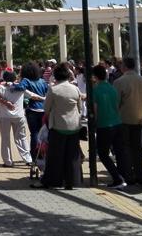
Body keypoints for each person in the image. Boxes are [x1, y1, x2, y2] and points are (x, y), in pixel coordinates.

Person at [34, 62, 83, 190]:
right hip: (74, 126)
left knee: (55, 156)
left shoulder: (53, 89)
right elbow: (80, 108)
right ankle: (71, 181)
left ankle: (53, 180)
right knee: (72, 156)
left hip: (58, 126)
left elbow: (46, 108)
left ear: (55, 76)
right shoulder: (75, 89)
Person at [113, 57, 142, 186]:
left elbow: (116, 102)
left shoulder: (119, 81)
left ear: (124, 66)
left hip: (124, 118)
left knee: (125, 148)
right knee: (138, 148)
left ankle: (128, 176)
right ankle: (141, 175)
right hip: (139, 117)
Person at [91, 65, 127, 189]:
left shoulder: (95, 90)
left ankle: (117, 178)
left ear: (95, 76)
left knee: (103, 153)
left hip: (104, 124)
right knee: (119, 152)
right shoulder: (112, 88)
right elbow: (117, 105)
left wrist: (94, 123)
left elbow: (95, 109)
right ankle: (124, 176)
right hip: (117, 122)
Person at [0, 70, 32, 167]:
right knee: (21, 137)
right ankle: (28, 159)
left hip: (5, 116)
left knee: (5, 139)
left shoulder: (2, 87)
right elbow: (31, 95)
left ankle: (8, 161)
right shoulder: (20, 87)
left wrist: (4, 101)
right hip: (19, 115)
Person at [14, 61, 48, 158]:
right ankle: (42, 154)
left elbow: (20, 87)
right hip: (43, 109)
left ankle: (34, 155)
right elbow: (47, 91)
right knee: (42, 133)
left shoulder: (26, 80)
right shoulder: (42, 81)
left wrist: (12, 85)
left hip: (32, 109)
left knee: (34, 133)